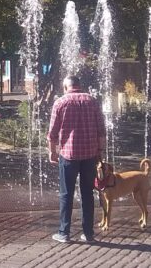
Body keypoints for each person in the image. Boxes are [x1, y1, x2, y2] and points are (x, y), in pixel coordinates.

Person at [48, 75, 106, 243]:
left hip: (68, 156)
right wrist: (100, 151)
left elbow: (52, 133)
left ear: (66, 87)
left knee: (66, 193)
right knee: (87, 193)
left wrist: (52, 152)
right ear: (79, 86)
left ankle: (64, 232)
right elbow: (101, 130)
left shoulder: (60, 102)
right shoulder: (92, 101)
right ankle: (88, 233)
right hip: (90, 155)